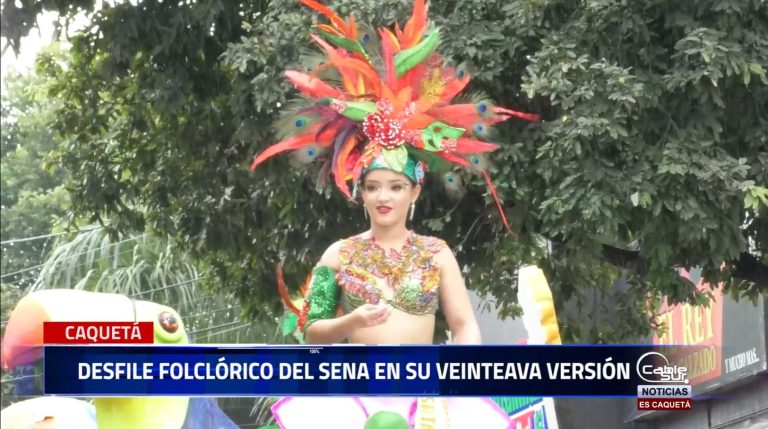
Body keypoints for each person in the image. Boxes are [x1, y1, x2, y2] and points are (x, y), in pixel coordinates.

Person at [249, 0, 539, 426]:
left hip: (423, 396)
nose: (384, 196)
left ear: (414, 191)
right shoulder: (338, 254)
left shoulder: (437, 253)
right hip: (353, 400)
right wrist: (351, 320)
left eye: (396, 186)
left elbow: (463, 325)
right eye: (373, 186)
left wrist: (462, 370)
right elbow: (311, 332)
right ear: (360, 192)